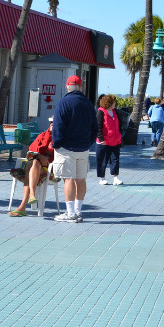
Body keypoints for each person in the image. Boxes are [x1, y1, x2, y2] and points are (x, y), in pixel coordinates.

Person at [51, 75, 96, 223]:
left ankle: (70, 213)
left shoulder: (64, 102)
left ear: (67, 87)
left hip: (66, 148)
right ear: (80, 87)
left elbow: (58, 125)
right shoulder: (88, 104)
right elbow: (95, 127)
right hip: (83, 148)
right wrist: (88, 143)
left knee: (68, 179)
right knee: (81, 179)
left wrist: (56, 143)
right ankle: (78, 211)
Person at [8, 125, 55, 216]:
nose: (52, 124)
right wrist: (40, 156)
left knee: (32, 166)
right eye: (51, 122)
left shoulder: (60, 137)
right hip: (35, 164)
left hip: (48, 167)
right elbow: (31, 150)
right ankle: (31, 196)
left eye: (55, 122)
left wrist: (45, 159)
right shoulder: (43, 135)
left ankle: (23, 206)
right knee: (34, 162)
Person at [96, 94, 124, 185]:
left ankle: (116, 177)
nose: (115, 103)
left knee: (115, 159)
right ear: (109, 103)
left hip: (115, 141)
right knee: (103, 160)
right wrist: (101, 138)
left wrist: (120, 135)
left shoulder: (115, 112)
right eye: (113, 102)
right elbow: (98, 126)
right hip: (104, 142)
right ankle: (102, 178)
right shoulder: (101, 112)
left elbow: (119, 124)